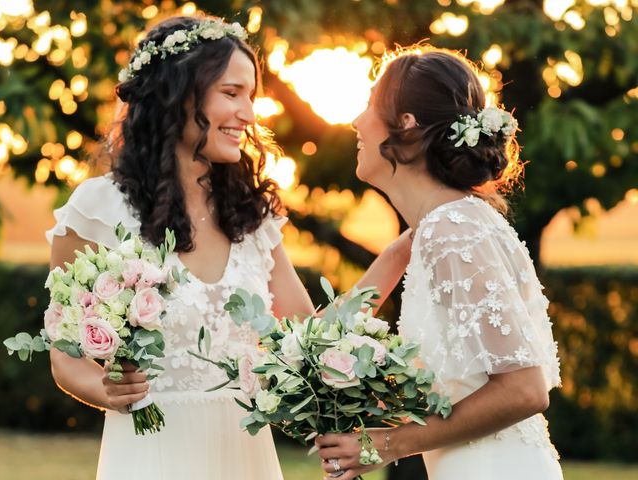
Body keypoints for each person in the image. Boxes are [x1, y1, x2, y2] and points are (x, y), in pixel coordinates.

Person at [46, 15, 410, 480]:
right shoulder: (96, 210)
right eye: (232, 93)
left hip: (245, 458)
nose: (250, 114)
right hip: (150, 455)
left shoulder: (252, 217)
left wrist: (398, 252)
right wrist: (107, 389)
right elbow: (65, 357)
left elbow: (312, 340)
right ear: (178, 94)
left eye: (251, 96)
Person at [316, 46, 563, 480]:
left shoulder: (453, 229)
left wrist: (385, 444)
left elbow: (524, 389)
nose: (356, 122)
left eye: (369, 106)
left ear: (406, 123)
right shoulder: (441, 227)